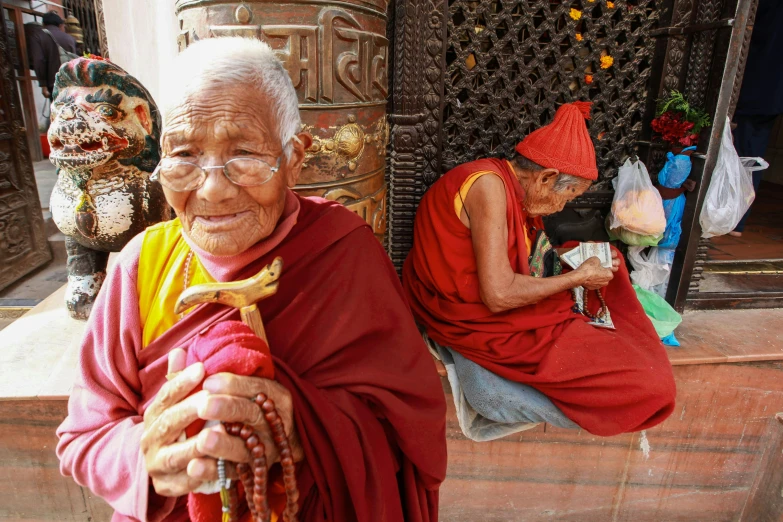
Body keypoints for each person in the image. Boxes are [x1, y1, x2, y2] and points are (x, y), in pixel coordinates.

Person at [56, 37, 447, 522]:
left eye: (244, 152)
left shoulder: (342, 250)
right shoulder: (143, 262)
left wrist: (304, 428)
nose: (214, 189)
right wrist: (145, 456)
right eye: (184, 155)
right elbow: (83, 436)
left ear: (295, 157)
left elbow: (413, 429)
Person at [403, 102, 676, 437]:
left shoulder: (515, 192)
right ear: (547, 177)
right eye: (568, 195)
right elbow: (500, 295)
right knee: (650, 390)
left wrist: (573, 260)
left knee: (614, 289)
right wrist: (576, 278)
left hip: (501, 307)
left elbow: (518, 255)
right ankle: (519, 398)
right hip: (480, 317)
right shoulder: (488, 188)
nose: (563, 206)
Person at [729, 0, 783, 237]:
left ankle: (732, 218)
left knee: (745, 151)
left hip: (756, 86)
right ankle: (735, 220)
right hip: (768, 91)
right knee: (751, 152)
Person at [26, 11, 77, 100]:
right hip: (72, 82)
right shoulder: (70, 38)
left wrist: (43, 85)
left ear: (43, 23)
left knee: (59, 110)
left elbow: (39, 60)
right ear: (60, 25)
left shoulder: (38, 36)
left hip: (54, 83)